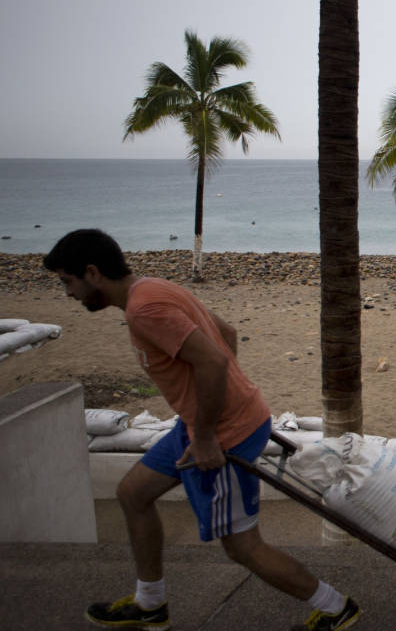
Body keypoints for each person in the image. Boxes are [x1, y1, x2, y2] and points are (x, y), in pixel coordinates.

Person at [43, 230, 359, 631]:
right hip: (198, 425)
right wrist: (214, 409)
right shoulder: (151, 287)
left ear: (92, 272)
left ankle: (335, 608)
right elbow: (225, 334)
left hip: (222, 435)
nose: (68, 294)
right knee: (132, 493)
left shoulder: (145, 309)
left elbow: (213, 360)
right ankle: (150, 604)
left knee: (243, 546)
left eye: (67, 282)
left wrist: (211, 433)